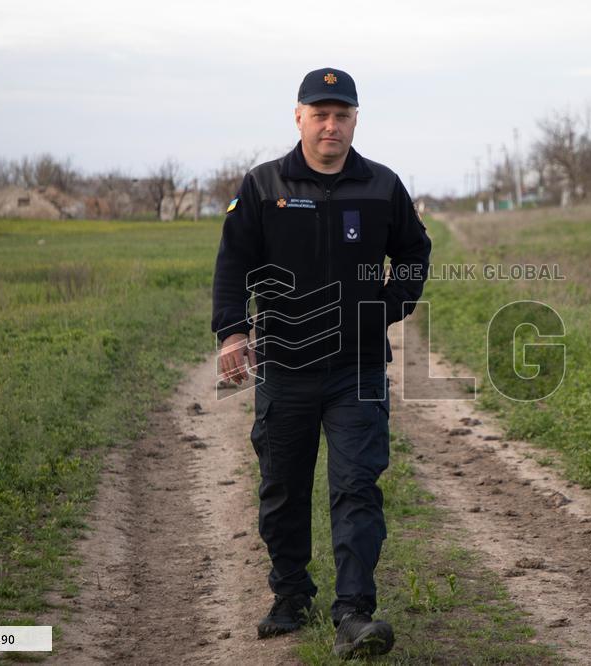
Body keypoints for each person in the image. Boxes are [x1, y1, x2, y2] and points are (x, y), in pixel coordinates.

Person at [211, 67, 431, 659]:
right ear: (299, 116)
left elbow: (414, 252)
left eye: (343, 115)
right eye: (320, 113)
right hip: (284, 365)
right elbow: (233, 263)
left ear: (355, 120)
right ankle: (290, 596)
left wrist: (385, 308)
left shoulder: (383, 185)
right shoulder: (262, 185)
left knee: (357, 486)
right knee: (283, 486)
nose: (331, 125)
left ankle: (354, 614)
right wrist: (233, 332)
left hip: (356, 368)